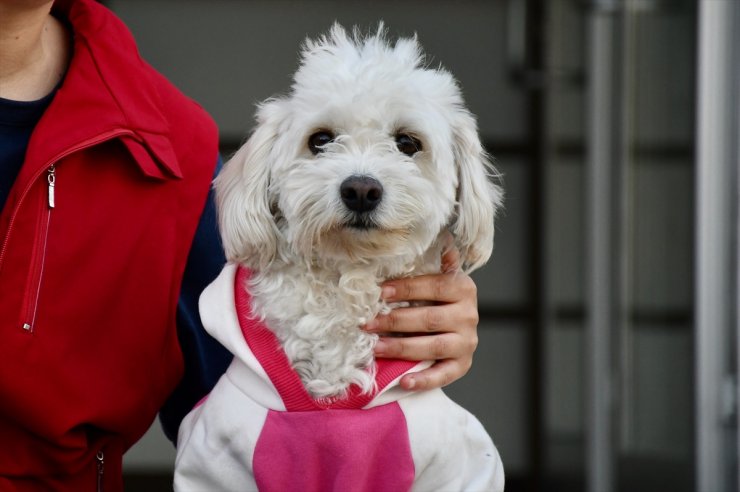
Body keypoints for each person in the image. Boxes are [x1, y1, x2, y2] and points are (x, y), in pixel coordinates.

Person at [0, 0, 484, 490]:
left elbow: (228, 367)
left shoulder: (169, 148)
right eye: (321, 142)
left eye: (406, 144)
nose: (362, 181)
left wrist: (436, 327)